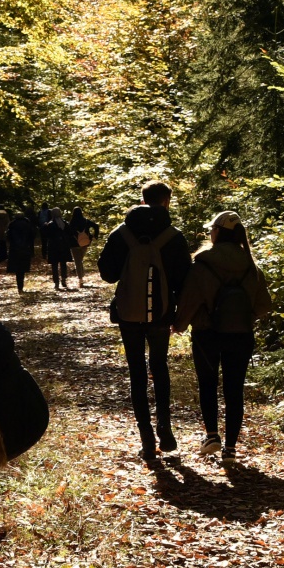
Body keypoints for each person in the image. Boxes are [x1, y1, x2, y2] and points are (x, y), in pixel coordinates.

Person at [98, 180, 192, 461]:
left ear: (143, 199)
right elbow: (184, 279)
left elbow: (107, 274)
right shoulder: (173, 236)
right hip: (161, 314)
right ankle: (165, 426)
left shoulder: (121, 233)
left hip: (129, 314)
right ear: (166, 201)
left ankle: (147, 439)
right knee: (159, 367)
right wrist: (179, 313)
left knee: (137, 372)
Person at [173, 211, 273, 462]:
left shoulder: (203, 263)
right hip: (241, 335)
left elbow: (189, 300)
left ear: (217, 232)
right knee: (234, 388)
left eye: (211, 229)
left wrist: (179, 324)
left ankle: (212, 436)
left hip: (207, 334)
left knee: (208, 384)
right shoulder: (251, 265)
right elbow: (263, 306)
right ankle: (230, 448)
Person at [6, 210, 37, 293]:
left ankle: (19, 287)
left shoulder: (12, 225)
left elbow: (8, 237)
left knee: (17, 269)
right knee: (22, 269)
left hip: (15, 249)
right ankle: (21, 286)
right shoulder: (27, 224)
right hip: (25, 248)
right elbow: (32, 236)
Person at [67, 207, 98, 288]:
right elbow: (96, 226)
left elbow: (68, 233)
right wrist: (94, 236)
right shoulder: (86, 221)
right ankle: (81, 276)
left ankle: (80, 279)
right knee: (79, 260)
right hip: (84, 244)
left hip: (74, 244)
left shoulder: (71, 223)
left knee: (78, 262)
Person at [44, 207, 72, 290]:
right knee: (63, 263)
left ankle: (56, 282)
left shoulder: (50, 224)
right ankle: (63, 279)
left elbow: (47, 235)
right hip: (63, 246)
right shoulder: (64, 223)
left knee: (54, 265)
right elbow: (69, 233)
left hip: (53, 247)